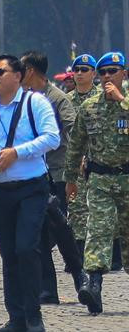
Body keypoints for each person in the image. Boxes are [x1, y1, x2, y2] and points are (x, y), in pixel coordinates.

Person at [0, 53, 60, 332]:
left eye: (1, 72)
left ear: (18, 76)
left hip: (31, 188)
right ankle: (17, 317)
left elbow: (52, 137)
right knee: (9, 255)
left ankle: (34, 317)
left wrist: (17, 153)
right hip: (0, 191)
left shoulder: (36, 103)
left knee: (26, 248)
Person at [64, 50, 129, 316]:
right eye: (102, 73)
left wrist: (122, 102)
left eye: (111, 72)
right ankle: (94, 287)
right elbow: (76, 145)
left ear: (123, 73)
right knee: (98, 231)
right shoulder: (89, 107)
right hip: (100, 179)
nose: (106, 77)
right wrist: (70, 179)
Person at [20, 51, 84, 304]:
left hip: (57, 173)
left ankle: (80, 275)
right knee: (37, 233)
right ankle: (48, 287)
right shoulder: (22, 99)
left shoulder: (57, 99)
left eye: (21, 68)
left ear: (31, 71)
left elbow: (74, 130)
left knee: (61, 229)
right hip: (33, 174)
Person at [64, 53, 98, 254]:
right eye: (76, 70)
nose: (79, 74)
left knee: (99, 208)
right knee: (76, 208)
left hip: (98, 161)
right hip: (74, 162)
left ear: (93, 73)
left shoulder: (104, 97)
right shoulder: (66, 101)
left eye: (84, 70)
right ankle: (78, 254)